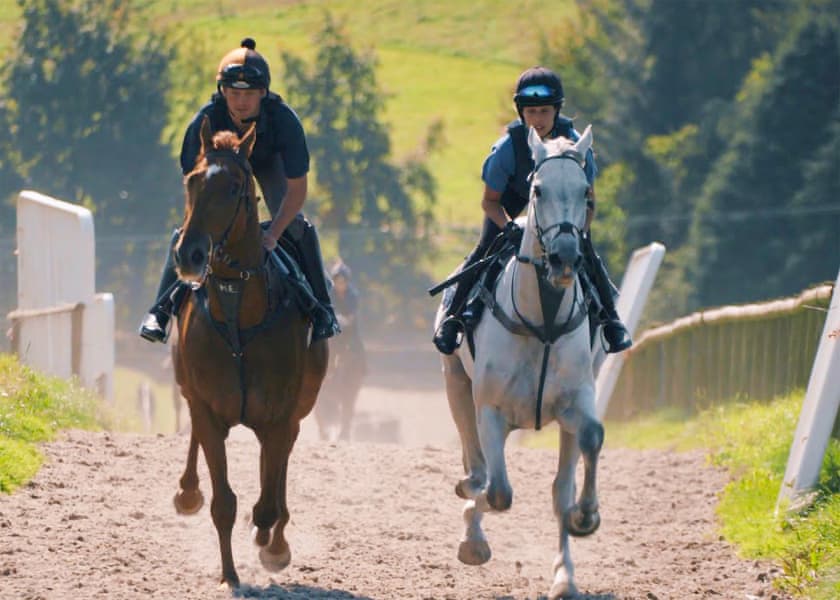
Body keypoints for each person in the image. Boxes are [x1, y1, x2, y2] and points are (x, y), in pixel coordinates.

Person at [139, 38, 340, 344]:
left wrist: (272, 234)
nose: (241, 101)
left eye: (249, 94)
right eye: (233, 93)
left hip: (269, 164)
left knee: (297, 226)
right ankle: (160, 311)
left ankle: (323, 310)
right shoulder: (203, 121)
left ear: (263, 93)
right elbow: (193, 185)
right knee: (187, 230)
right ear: (222, 92)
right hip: (220, 170)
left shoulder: (284, 121)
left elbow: (297, 190)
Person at [432, 66, 632, 355]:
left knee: (586, 252)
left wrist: (579, 232)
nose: (537, 119)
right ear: (521, 112)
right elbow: (489, 201)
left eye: (544, 112)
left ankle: (611, 321)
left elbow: (589, 200)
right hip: (510, 201)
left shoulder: (577, 146)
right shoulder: (506, 149)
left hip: (562, 204)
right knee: (486, 248)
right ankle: (457, 316)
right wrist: (509, 226)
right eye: (531, 112)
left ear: (556, 111)